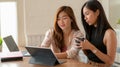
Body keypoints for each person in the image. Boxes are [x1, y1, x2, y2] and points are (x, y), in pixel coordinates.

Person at [78, 0, 117, 67]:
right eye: (84, 15)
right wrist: (83, 47)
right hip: (89, 64)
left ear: (97, 12)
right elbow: (90, 56)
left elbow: (110, 61)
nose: (85, 18)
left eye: (87, 14)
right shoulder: (90, 30)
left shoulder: (109, 33)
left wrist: (91, 47)